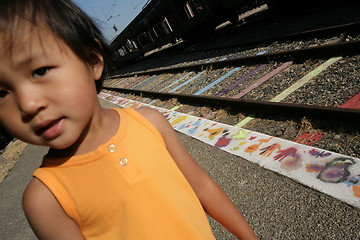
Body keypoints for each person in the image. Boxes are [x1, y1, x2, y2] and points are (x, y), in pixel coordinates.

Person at [0, 0, 259, 239]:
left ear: (92, 61)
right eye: (1, 93)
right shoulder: (45, 199)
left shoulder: (150, 122)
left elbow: (201, 187)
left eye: (40, 71)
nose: (28, 104)